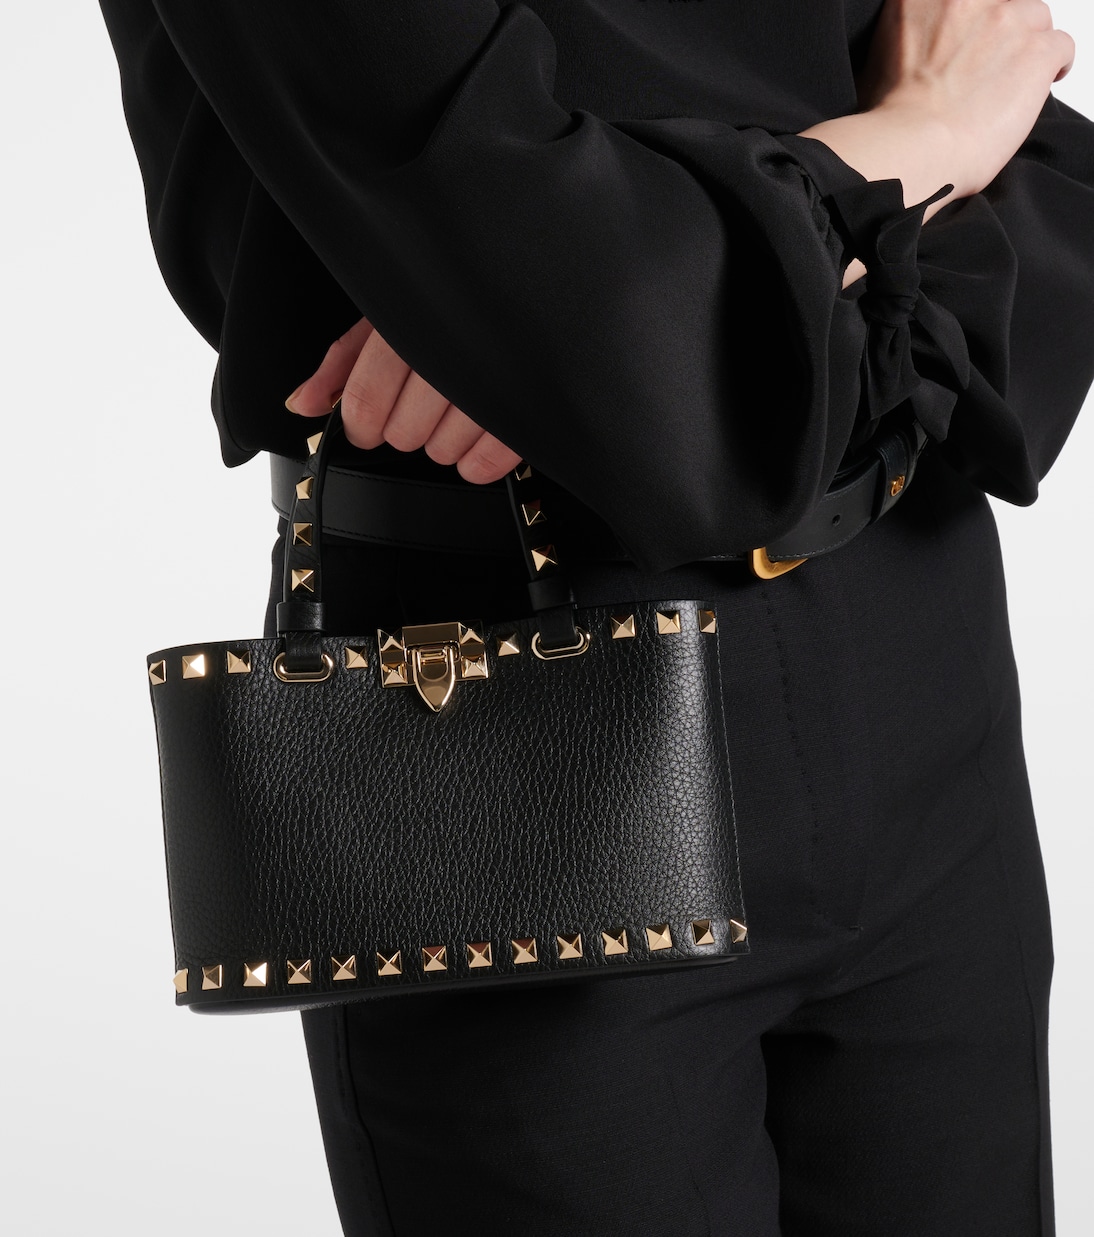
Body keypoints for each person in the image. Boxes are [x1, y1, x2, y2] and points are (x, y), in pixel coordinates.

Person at [97, 1, 1092, 1232]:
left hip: (914, 629)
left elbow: (1020, 102)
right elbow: (547, 260)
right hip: (504, 707)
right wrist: (925, 134)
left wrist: (622, 300)